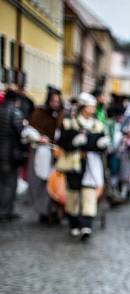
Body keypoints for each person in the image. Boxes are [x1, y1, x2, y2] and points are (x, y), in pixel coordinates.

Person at [54, 92, 109, 240]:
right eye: (90, 106)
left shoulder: (97, 125)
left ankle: (86, 225)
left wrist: (102, 144)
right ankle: (74, 224)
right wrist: (73, 142)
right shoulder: (70, 123)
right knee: (73, 195)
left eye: (93, 107)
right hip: (74, 163)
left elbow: (102, 143)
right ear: (83, 107)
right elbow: (61, 143)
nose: (92, 109)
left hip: (91, 164)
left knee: (89, 194)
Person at [26, 86, 63, 224]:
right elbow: (30, 130)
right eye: (53, 101)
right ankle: (43, 211)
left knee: (55, 183)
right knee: (40, 182)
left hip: (57, 154)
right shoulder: (39, 113)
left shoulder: (62, 114)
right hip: (41, 153)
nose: (55, 104)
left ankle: (54, 211)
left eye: (57, 101)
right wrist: (39, 138)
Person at [0, 87, 26, 222]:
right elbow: (21, 132)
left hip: (2, 152)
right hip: (10, 154)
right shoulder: (15, 112)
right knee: (10, 184)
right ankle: (5, 212)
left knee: (2, 183)